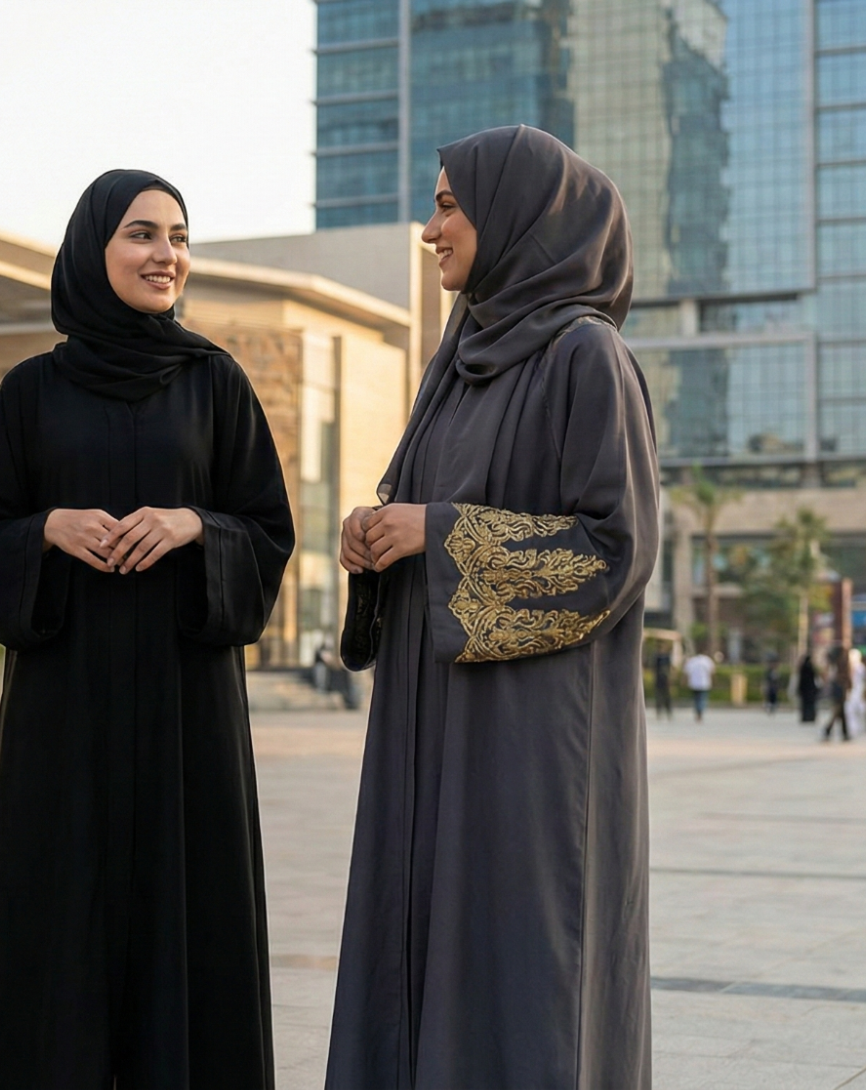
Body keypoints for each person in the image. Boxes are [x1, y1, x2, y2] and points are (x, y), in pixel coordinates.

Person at [327, 126, 659, 1089]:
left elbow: (615, 549)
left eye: (447, 206)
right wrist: (375, 536)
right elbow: (424, 511)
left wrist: (439, 533)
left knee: (521, 963)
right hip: (428, 722)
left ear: (515, 216)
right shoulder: (458, 361)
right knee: (420, 938)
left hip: (526, 743)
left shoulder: (586, 356)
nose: (429, 229)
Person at [0, 170, 295, 1089]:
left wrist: (194, 525)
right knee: (55, 915)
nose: (165, 255)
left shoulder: (216, 384)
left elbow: (267, 531)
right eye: (142, 234)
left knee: (190, 917)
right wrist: (45, 529)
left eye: (178, 237)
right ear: (91, 248)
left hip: (188, 717)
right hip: (63, 713)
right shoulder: (30, 392)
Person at [821, 645, 852, 743]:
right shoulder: (842, 661)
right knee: (838, 709)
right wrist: (849, 684)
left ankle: (845, 732)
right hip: (840, 685)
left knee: (841, 710)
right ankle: (828, 729)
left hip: (836, 684)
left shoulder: (834, 661)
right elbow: (847, 674)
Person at [684, 649, 716, 723]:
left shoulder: (692, 660)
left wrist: (684, 681)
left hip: (694, 683)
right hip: (704, 683)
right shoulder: (707, 660)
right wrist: (714, 681)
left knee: (696, 699)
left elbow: (687, 672)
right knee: (702, 699)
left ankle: (698, 711)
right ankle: (700, 712)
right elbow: (712, 671)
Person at [796, 650, 820, 723]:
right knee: (811, 704)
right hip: (811, 689)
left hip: (804, 690)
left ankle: (805, 717)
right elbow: (814, 678)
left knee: (804, 704)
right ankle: (811, 717)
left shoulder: (803, 668)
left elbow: (801, 680)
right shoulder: (811, 668)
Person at [651, 647, 674, 720]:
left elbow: (670, 670)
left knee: (666, 697)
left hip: (664, 680)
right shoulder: (657, 658)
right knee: (660, 697)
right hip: (660, 680)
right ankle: (660, 711)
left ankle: (668, 711)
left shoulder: (665, 658)